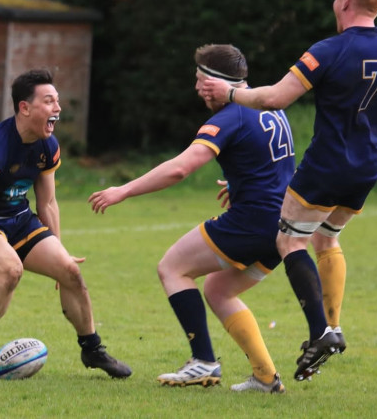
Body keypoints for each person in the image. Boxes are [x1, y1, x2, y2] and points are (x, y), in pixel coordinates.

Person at [199, 0, 377, 381]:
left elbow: (277, 97)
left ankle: (321, 331)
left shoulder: (328, 50)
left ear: (347, 1)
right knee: (326, 236)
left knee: (288, 238)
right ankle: (334, 324)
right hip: (368, 167)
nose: (334, 0)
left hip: (328, 164)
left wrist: (231, 94)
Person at [89, 45, 291, 393]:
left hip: (251, 222)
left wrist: (123, 190)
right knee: (218, 289)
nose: (197, 89)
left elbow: (181, 168)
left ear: (216, 82)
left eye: (200, 81)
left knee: (172, 267)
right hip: (282, 227)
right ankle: (265, 377)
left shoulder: (230, 116)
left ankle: (203, 361)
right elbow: (278, 162)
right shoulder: (270, 106)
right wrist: (243, 182)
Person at [0, 69, 131, 379]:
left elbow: (47, 202)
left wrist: (59, 252)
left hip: (18, 219)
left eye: (57, 101)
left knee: (71, 272)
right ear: (24, 107)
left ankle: (92, 349)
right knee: (10, 271)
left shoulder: (47, 146)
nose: (57, 108)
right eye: (49, 101)